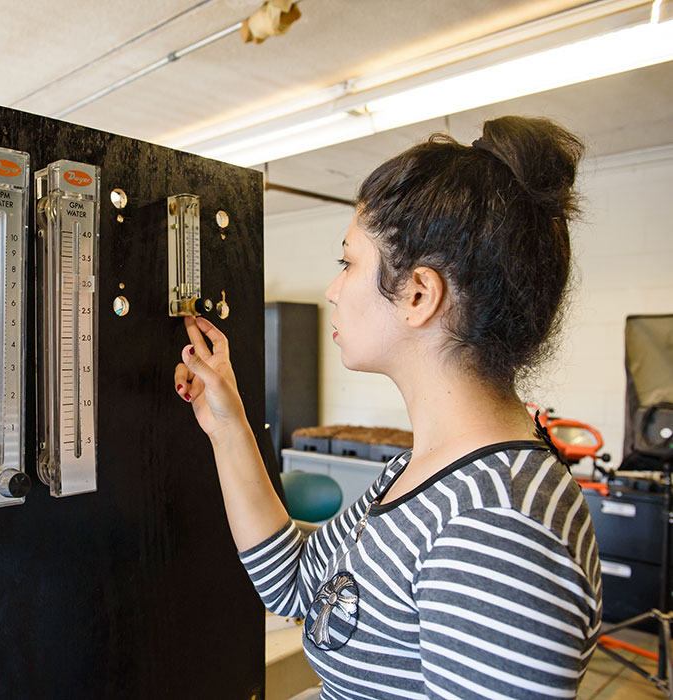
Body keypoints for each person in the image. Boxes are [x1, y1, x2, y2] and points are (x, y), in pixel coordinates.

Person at [173, 115, 601, 700]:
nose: (332, 288)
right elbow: (299, 585)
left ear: (418, 295)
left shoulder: (496, 531)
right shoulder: (421, 471)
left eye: (348, 262)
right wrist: (228, 423)